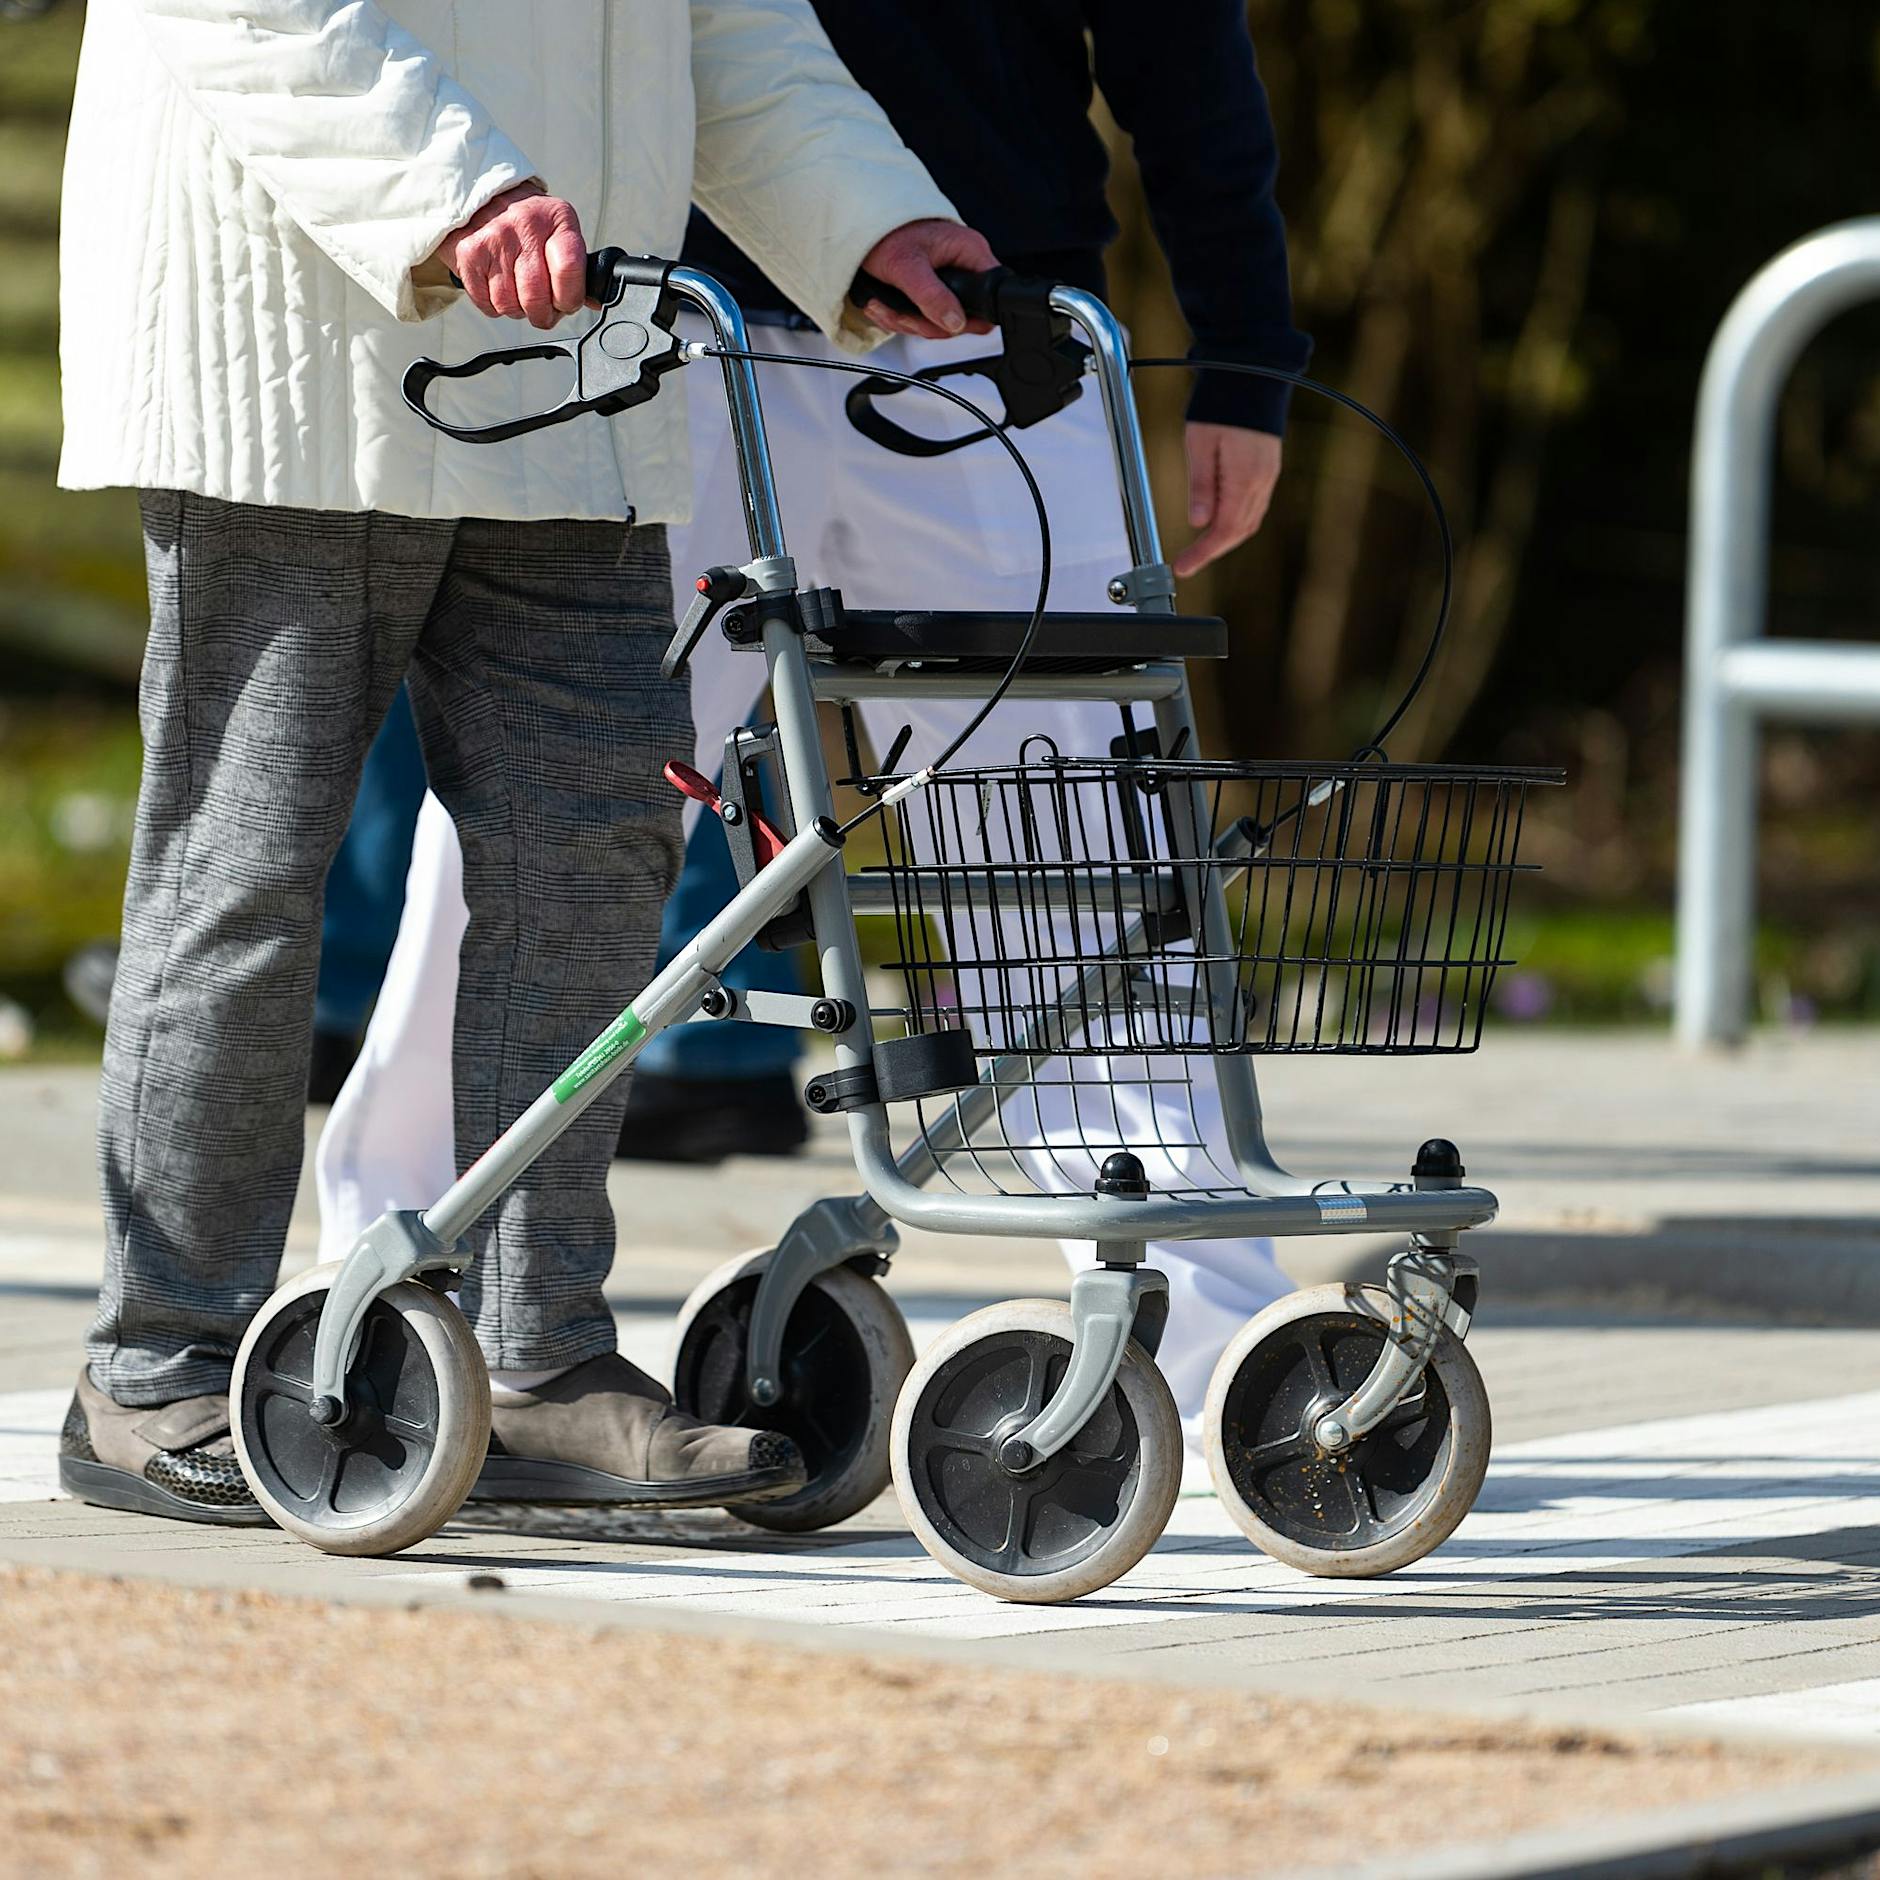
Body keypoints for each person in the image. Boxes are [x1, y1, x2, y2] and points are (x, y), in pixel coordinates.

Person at [319, 1, 1309, 1457]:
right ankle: (402, 1256)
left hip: (993, 315)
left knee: (1070, 832)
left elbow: (1184, 44)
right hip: (667, 318)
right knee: (554, 818)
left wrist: (1243, 348)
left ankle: (1204, 1319)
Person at [54, 0, 996, 1527]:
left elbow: (723, 17)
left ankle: (533, 1361)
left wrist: (866, 219)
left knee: (599, 838)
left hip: (568, 359)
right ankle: (157, 1363)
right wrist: (455, 192)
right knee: (248, 863)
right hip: (302, 351)